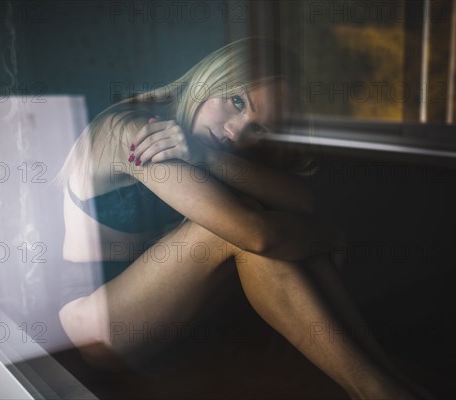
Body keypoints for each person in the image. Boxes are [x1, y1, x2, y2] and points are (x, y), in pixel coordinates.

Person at [56, 38, 433, 400]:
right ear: (211, 79)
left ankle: (385, 381)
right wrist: (329, 236)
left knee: (259, 218)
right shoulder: (138, 132)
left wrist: (205, 157)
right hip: (94, 326)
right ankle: (380, 390)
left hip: (163, 323)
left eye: (259, 128)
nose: (236, 131)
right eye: (236, 101)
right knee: (238, 229)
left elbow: (302, 200)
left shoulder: (199, 145)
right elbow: (257, 236)